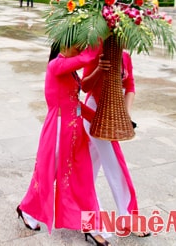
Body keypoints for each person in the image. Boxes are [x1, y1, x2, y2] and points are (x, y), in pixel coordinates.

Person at [16, 44, 111, 246]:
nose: (81, 48)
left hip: (75, 133)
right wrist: (99, 40)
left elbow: (74, 103)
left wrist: (98, 118)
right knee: (45, 176)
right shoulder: (56, 66)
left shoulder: (71, 72)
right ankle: (27, 210)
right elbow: (85, 58)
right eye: (77, 43)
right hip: (57, 133)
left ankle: (92, 226)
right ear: (65, 45)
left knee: (83, 180)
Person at [81, 49, 150, 238]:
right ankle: (127, 218)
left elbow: (130, 86)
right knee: (116, 167)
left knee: (88, 171)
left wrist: (126, 115)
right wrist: (98, 71)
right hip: (95, 116)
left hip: (113, 116)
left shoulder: (125, 56)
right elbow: (84, 87)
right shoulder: (95, 54)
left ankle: (88, 219)